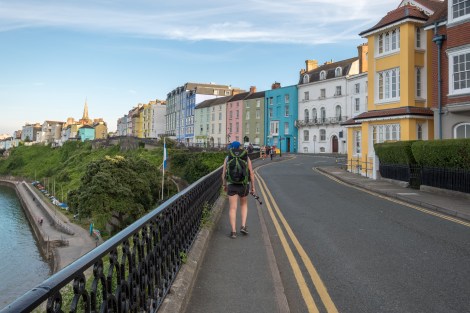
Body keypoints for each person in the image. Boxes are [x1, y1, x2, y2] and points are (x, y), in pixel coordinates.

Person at [222, 141, 255, 239]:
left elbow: (223, 174)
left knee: (232, 208)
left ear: (232, 148)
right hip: (244, 185)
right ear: (240, 147)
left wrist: (224, 184)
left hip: (232, 184)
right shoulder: (246, 157)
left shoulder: (228, 157)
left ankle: (233, 232)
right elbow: (251, 173)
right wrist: (253, 187)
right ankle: (243, 226)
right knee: (244, 205)